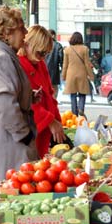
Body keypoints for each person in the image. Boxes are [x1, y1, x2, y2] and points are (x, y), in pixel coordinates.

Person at [0, 6, 39, 224]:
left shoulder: (6, 55)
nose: (25, 34)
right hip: (8, 139)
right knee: (6, 196)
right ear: (9, 31)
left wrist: (28, 97)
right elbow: (2, 100)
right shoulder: (1, 56)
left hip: (9, 136)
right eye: (22, 28)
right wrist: (23, 133)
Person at [18, 25, 65, 158]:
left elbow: (50, 95)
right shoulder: (18, 64)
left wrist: (57, 121)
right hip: (30, 129)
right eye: (40, 52)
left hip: (44, 128)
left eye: (45, 53)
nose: (42, 57)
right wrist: (50, 120)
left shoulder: (40, 63)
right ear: (28, 44)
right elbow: (25, 101)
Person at [62, 32, 94, 116]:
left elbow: (65, 64)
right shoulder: (85, 49)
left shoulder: (67, 50)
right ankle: (81, 109)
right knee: (82, 94)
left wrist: (63, 76)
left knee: (72, 95)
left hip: (71, 74)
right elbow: (87, 63)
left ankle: (74, 114)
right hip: (82, 74)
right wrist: (91, 75)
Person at [45, 29, 63, 99]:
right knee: (54, 91)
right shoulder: (58, 46)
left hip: (43, 71)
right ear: (53, 35)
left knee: (45, 90)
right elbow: (61, 59)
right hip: (54, 72)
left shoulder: (43, 44)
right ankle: (52, 106)